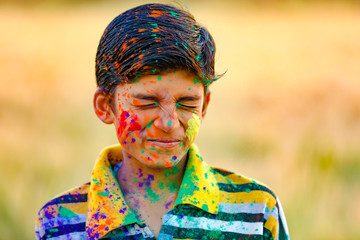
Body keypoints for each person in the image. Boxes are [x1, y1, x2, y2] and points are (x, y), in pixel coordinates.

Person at [35, 3, 290, 240]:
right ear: (105, 106)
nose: (169, 123)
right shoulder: (60, 222)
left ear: (205, 106)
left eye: (188, 103)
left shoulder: (256, 211)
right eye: (147, 102)